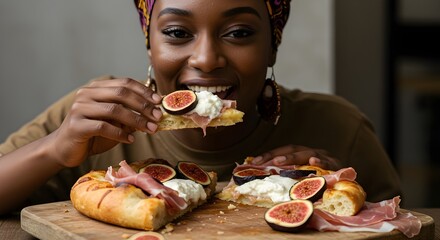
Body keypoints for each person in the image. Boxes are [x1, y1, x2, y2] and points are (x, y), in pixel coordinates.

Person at [0, 0, 401, 215]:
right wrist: (55, 147)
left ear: (273, 43)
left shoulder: (338, 126)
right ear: (150, 43)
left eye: (239, 33)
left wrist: (343, 196)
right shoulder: (95, 115)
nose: (207, 58)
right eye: (177, 33)